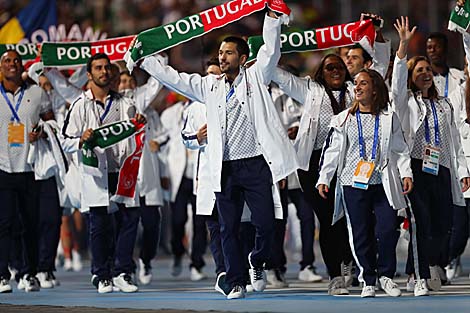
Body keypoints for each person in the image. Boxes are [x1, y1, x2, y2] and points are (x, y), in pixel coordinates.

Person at [137, 9, 298, 299]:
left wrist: (273, 17)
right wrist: (145, 59)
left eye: (229, 53)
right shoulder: (209, 85)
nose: (222, 57)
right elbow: (175, 79)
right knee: (228, 228)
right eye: (221, 52)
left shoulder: (256, 78)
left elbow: (271, 50)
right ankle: (235, 280)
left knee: (266, 224)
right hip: (225, 168)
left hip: (256, 165)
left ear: (243, 58)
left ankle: (256, 260)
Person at [317, 68, 413, 298]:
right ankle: (368, 278)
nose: (357, 88)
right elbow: (332, 151)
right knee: (359, 232)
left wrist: (406, 173)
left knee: (388, 228)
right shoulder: (343, 119)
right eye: (356, 84)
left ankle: (386, 275)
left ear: (375, 89)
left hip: (383, 182)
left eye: (363, 83)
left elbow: (400, 149)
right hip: (353, 182)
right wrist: (323, 178)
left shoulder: (388, 117)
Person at [392, 16, 470, 296]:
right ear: (412, 76)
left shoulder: (444, 104)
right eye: (419, 70)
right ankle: (418, 274)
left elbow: (455, 143)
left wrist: (462, 172)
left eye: (427, 69)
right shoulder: (405, 102)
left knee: (444, 224)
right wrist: (402, 47)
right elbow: (398, 83)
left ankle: (431, 263)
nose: (425, 73)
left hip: (442, 168)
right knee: (420, 222)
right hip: (415, 170)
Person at [62, 53, 145, 293]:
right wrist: (81, 140)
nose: (104, 72)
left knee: (130, 219)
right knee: (100, 224)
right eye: (98, 68)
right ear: (89, 75)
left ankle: (123, 272)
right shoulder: (80, 105)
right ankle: (101, 274)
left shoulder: (125, 103)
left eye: (107, 68)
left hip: (122, 170)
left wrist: (139, 121)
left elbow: (136, 129)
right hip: (96, 172)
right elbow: (65, 139)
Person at [272, 54, 354, 295]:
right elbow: (281, 78)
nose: (336, 71)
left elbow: (379, 71)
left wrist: (379, 41)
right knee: (328, 218)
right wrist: (264, 53)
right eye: (330, 68)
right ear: (321, 72)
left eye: (340, 67)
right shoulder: (310, 90)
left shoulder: (354, 90)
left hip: (346, 161)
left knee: (349, 217)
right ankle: (336, 276)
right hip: (313, 165)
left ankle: (347, 258)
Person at [0, 50, 52, 293]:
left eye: (16, 61)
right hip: (2, 169)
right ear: (1, 67)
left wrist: (41, 131)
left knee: (31, 223)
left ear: (21, 66)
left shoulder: (36, 92)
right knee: (5, 224)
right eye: (7, 61)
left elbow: (51, 121)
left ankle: (29, 273)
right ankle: (3, 275)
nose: (12, 64)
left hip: (30, 168)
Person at [345, 13, 391, 78]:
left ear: (367, 64)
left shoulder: (372, 83)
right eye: (347, 57)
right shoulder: (337, 83)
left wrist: (376, 31)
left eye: (354, 58)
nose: (348, 61)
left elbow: (381, 63)